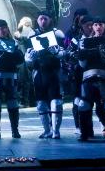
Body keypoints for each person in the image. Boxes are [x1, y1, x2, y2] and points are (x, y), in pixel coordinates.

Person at [74, 16, 105, 141]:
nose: (98, 27)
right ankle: (86, 133)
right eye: (96, 25)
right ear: (92, 27)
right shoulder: (84, 41)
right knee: (83, 104)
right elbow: (82, 64)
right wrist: (82, 55)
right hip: (88, 77)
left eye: (101, 24)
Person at [25, 10, 65, 139]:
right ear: (37, 20)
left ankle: (56, 131)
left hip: (54, 71)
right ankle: (47, 130)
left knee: (56, 101)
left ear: (50, 20)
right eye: (41, 19)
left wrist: (56, 53)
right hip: (39, 72)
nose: (43, 21)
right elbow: (27, 57)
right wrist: (30, 58)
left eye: (45, 19)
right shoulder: (32, 34)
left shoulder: (57, 33)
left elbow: (64, 53)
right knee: (41, 102)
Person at [14, 16, 36, 108]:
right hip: (28, 58)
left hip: (22, 58)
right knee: (29, 81)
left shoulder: (19, 32)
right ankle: (30, 101)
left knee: (23, 81)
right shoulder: (32, 32)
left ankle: (24, 101)